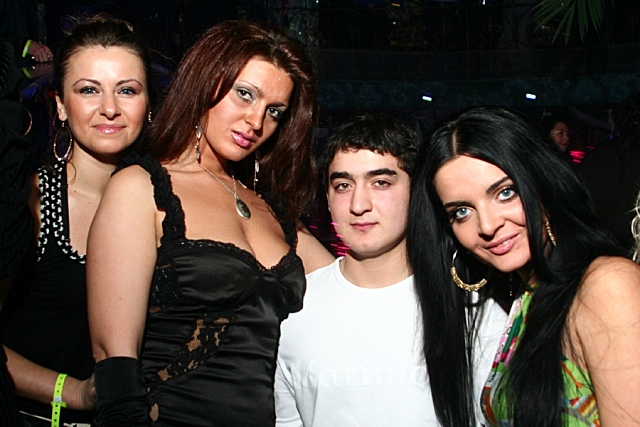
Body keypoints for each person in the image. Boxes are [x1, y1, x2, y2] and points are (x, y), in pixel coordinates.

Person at [86, 20, 334, 426]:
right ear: (206, 82)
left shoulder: (273, 211)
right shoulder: (140, 188)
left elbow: (352, 287)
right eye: (244, 94)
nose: (256, 121)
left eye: (274, 111)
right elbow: (114, 361)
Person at [407, 106, 640, 426]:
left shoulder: (607, 286)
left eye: (505, 192)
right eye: (462, 211)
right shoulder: (524, 295)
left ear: (544, 182)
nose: (487, 225)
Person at [275, 114, 507, 427]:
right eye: (343, 185)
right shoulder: (293, 310)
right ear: (327, 198)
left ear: (416, 192)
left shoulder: (472, 307)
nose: (359, 204)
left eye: (380, 182)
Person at [0, 15, 152, 427]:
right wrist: (73, 392)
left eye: (127, 90)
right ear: (61, 106)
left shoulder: (165, 202)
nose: (110, 108)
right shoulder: (29, 201)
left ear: (148, 104)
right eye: (88, 90)